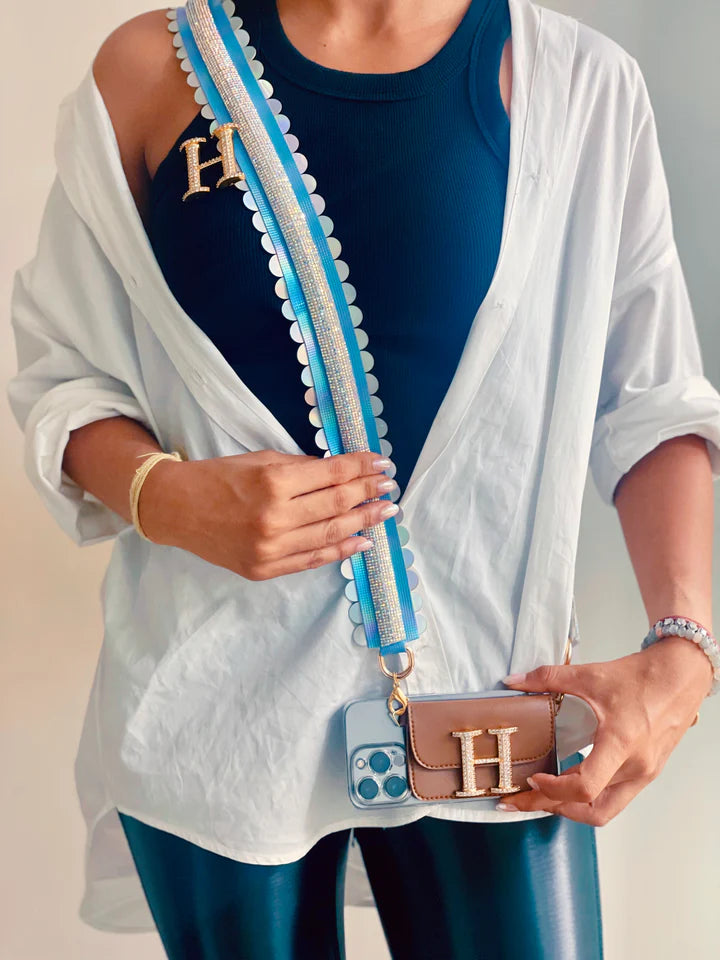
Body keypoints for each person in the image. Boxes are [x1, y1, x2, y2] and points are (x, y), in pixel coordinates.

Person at [6, 0, 720, 956]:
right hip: (215, 716)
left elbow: (653, 398)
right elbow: (64, 373)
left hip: (496, 710)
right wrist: (164, 497)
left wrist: (684, 648)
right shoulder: (151, 70)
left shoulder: (578, 84)